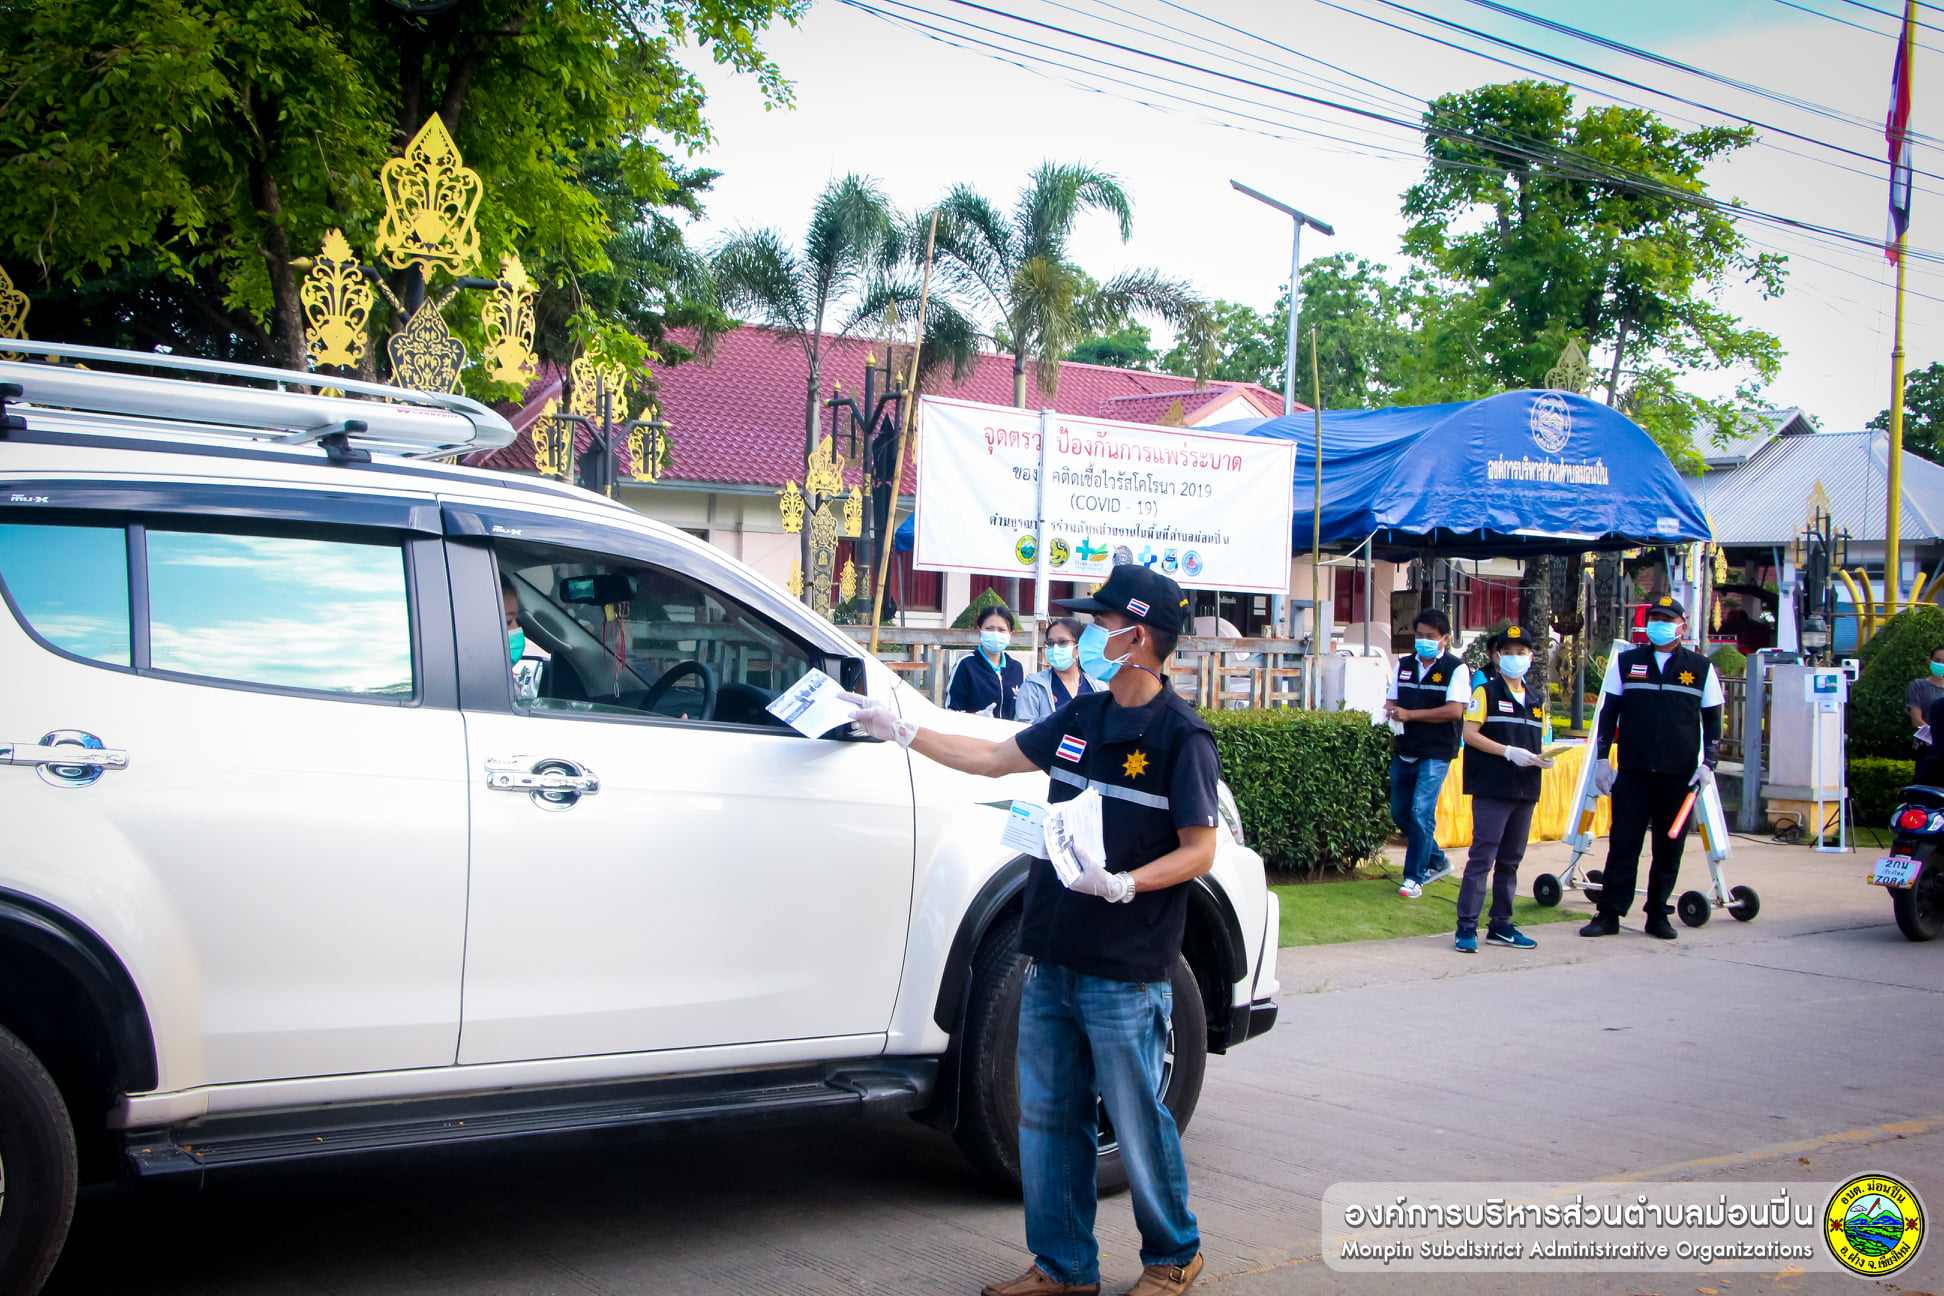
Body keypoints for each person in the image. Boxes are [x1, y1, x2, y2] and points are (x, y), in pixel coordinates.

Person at [846, 565, 1218, 1296]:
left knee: (1138, 1120)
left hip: (1125, 967)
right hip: (1049, 953)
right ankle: (1063, 1266)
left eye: (1101, 626)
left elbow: (1200, 848)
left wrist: (1126, 883)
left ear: (1136, 636)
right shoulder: (1081, 718)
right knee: (1050, 1121)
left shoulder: (1182, 738)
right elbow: (991, 758)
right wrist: (905, 731)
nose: (1087, 637)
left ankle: (1175, 1256)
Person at [1585, 595, 1723, 940]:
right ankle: (1610, 913)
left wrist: (1710, 764)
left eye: (1666, 619)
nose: (1659, 624)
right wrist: (1603, 759)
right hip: (1633, 771)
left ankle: (1658, 913)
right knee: (1623, 844)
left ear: (1682, 626)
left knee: (1668, 847)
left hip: (1678, 775)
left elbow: (1714, 721)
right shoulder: (1627, 662)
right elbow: (1608, 713)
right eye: (1654, 618)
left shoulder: (1701, 668)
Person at [1454, 625, 1551, 953]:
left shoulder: (1537, 698)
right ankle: (1466, 926)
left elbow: (1537, 739)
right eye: (1508, 653)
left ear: (1531, 656)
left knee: (1511, 860)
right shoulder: (1487, 692)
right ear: (1497, 657)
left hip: (1525, 789)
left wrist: (1542, 759)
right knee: (1483, 857)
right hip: (1492, 786)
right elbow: (1469, 734)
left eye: (1521, 652)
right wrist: (1507, 752)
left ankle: (1501, 924)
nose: (1515, 658)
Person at [1385, 609, 1471, 898]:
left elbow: (1454, 710)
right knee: (1400, 812)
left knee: (1422, 812)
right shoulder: (1404, 664)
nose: (1423, 641)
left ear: (1444, 639)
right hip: (1406, 747)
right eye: (1419, 636)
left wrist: (1411, 715)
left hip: (1436, 750)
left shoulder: (1456, 669)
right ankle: (1437, 859)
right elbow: (1392, 699)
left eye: (1430, 637)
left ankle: (1414, 877)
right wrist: (1388, 712)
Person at [1017, 616, 1106, 724]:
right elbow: (1023, 727)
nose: (1055, 649)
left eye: (1062, 642)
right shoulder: (1034, 686)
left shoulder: (1098, 688)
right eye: (1050, 643)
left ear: (1079, 647)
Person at [950, 603, 1025, 719]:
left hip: (1009, 735)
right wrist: (976, 717)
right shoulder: (965, 665)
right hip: (974, 735)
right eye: (989, 629)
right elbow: (951, 711)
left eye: (1001, 630)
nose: (995, 634)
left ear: (1011, 634)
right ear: (980, 631)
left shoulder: (1016, 667)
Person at [1905, 644, 1944, 760]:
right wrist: (1937, 738)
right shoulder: (1918, 686)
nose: (1941, 664)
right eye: (1937, 661)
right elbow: (1917, 720)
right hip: (1927, 748)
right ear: (1929, 660)